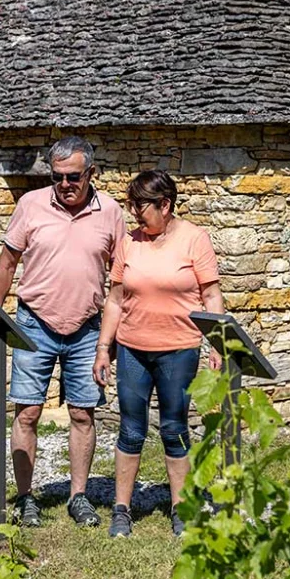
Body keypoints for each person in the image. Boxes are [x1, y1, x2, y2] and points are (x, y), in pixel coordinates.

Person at [0, 137, 126, 528]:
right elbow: (7, 264)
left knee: (82, 413)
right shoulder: (30, 205)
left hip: (87, 330)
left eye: (73, 176)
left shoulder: (111, 212)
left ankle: (78, 497)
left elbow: (122, 279)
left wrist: (111, 338)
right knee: (27, 412)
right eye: (57, 176)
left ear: (90, 173)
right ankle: (26, 498)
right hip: (33, 325)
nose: (64, 184)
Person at [92, 170, 224, 538]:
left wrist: (216, 341)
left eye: (140, 205)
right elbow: (115, 301)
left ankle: (180, 508)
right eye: (131, 204)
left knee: (174, 429)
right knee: (130, 430)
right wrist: (104, 348)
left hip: (178, 351)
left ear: (165, 205)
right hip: (133, 350)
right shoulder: (129, 243)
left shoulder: (194, 239)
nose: (134, 213)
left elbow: (211, 295)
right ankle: (122, 508)